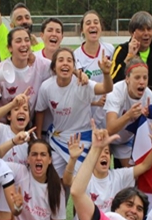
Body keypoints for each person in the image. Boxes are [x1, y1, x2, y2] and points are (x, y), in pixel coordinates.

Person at [63, 120, 152, 220]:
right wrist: (72, 159)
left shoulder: (119, 176)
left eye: (107, 152)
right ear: (93, 156)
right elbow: (67, 181)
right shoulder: (86, 178)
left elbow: (145, 165)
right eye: (100, 152)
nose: (104, 155)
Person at [34, 48, 113, 176]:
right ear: (54, 67)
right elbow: (40, 111)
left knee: (83, 182)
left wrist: (106, 73)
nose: (65, 63)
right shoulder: (46, 87)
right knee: (54, 181)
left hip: (83, 139)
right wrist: (38, 138)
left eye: (69, 60)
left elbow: (106, 88)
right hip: (58, 140)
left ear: (74, 67)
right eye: (61, 60)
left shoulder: (82, 84)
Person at [104, 57, 152, 166]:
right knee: (101, 174)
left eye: (145, 78)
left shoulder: (149, 97)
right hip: (104, 136)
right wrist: (129, 115)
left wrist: (146, 119)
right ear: (127, 78)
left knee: (132, 177)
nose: (142, 82)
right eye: (137, 77)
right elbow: (110, 129)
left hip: (125, 139)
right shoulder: (116, 92)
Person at [0, 27, 51, 114]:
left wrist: (77, 72)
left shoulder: (42, 65)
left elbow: (62, 69)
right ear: (9, 48)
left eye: (27, 40)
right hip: (5, 125)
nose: (24, 44)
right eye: (18, 41)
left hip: (30, 124)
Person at [74, 10, 116, 129]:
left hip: (108, 109)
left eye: (96, 22)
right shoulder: (75, 56)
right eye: (88, 23)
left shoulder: (110, 50)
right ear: (82, 30)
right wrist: (94, 102)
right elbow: (76, 92)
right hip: (87, 113)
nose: (92, 25)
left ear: (101, 27)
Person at [110, 11, 152, 94]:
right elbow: (113, 80)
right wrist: (130, 56)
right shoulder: (122, 50)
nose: (146, 33)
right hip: (127, 101)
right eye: (141, 29)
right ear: (132, 32)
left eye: (149, 29)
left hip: (149, 100)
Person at [0, 90, 32, 165]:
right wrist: (12, 104)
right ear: (9, 116)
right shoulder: (1, 130)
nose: (21, 112)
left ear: (29, 117)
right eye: (16, 109)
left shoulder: (32, 138)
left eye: (25, 109)